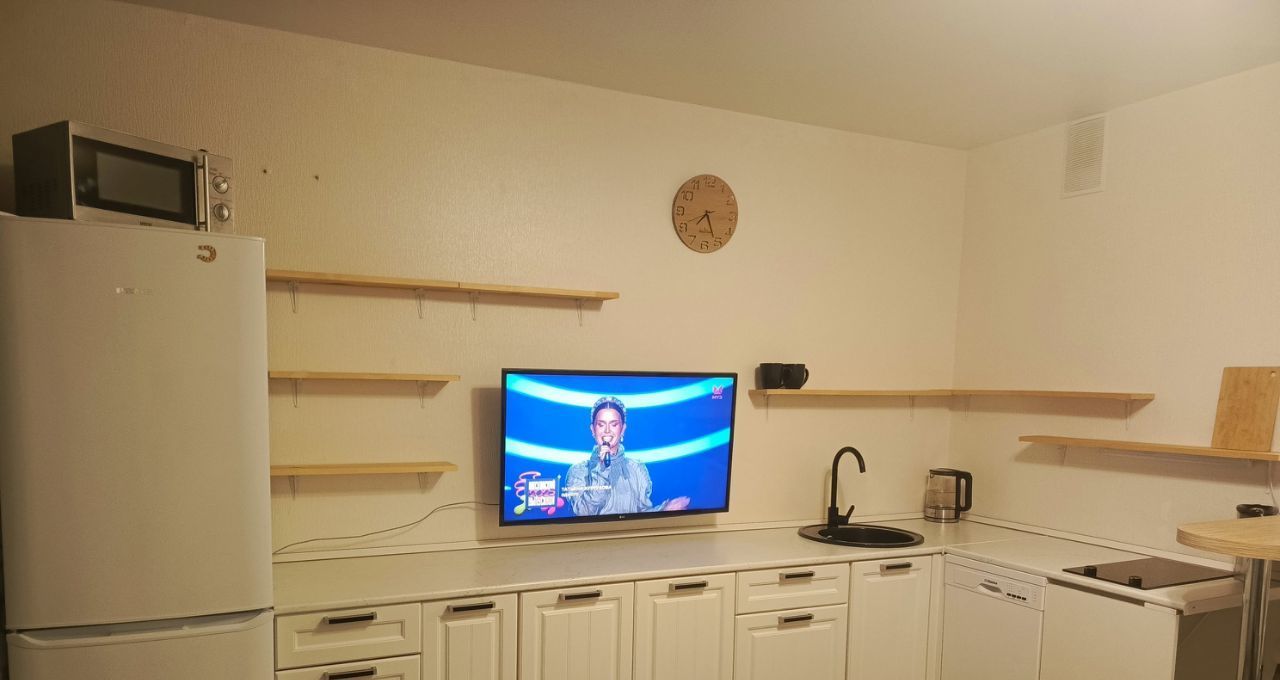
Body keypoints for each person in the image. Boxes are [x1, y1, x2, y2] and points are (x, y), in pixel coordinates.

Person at [564, 396, 690, 516]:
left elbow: (643, 516)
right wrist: (601, 469)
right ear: (593, 429)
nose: (607, 430)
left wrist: (665, 510)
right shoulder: (578, 471)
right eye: (601, 424)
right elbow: (583, 513)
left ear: (623, 429)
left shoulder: (636, 468)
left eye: (614, 424)